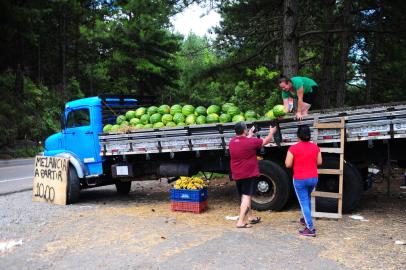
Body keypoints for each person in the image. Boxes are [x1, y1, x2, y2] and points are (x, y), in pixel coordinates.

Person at [229, 122, 277, 228]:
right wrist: (271, 132)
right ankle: (240, 222)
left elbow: (244, 141)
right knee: (246, 196)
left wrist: (249, 134)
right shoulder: (251, 142)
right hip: (248, 174)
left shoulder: (232, 142)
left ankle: (250, 217)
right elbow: (266, 141)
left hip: (237, 174)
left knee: (245, 195)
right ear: (244, 131)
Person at [285, 125, 322, 237]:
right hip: (313, 178)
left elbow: (288, 164)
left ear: (298, 135)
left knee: (303, 202)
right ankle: (305, 219)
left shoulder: (293, 148)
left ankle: (310, 228)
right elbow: (319, 162)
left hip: (300, 179)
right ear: (309, 135)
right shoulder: (315, 147)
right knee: (307, 199)